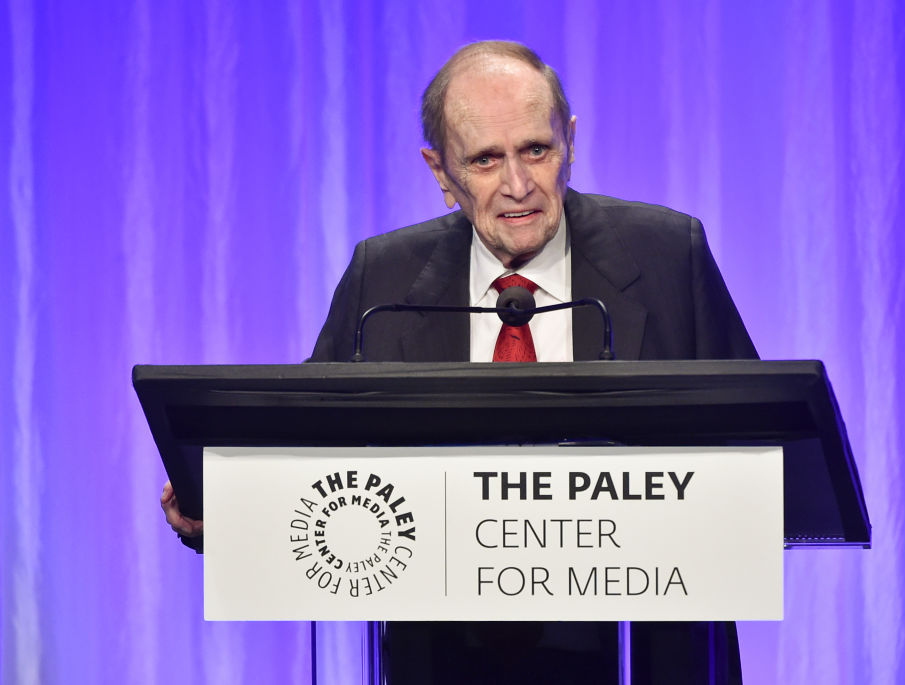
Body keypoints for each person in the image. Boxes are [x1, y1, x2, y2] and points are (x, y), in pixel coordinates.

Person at [164, 40, 755, 684]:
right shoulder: (383, 278)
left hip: (644, 655)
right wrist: (226, 506)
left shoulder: (668, 254)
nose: (518, 184)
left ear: (571, 141)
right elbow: (311, 451)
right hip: (442, 659)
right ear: (440, 172)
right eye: (484, 160)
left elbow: (758, 445)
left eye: (536, 149)